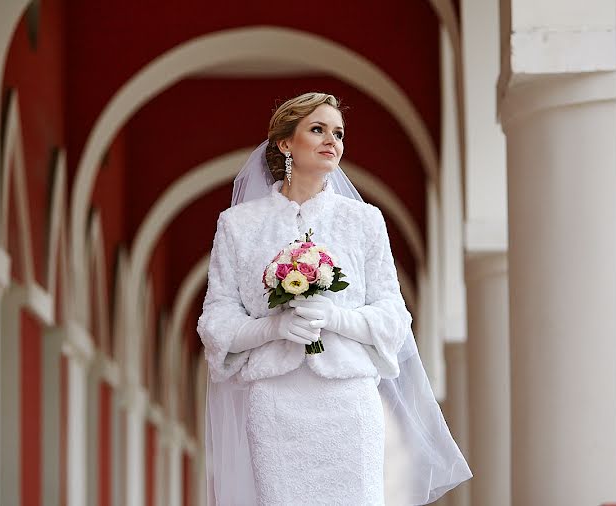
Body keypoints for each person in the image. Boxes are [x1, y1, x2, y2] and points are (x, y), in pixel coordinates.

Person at [197, 92, 471, 506]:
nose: (333, 141)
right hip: (274, 404)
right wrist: (271, 327)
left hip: (349, 403)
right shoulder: (237, 226)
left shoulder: (364, 221)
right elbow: (215, 321)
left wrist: (335, 317)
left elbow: (393, 318)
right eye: (318, 129)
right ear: (285, 143)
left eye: (339, 133)